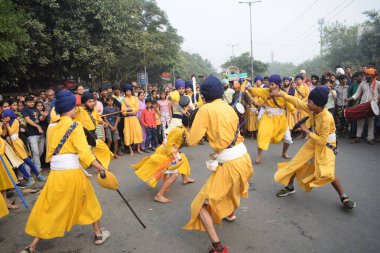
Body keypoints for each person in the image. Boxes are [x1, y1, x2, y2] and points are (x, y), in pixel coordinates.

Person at [21, 90, 110, 253]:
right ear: (70, 108)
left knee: (50, 207)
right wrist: (102, 168)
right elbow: (85, 154)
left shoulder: (51, 127)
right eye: (75, 107)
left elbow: (49, 155)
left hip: (55, 174)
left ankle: (31, 246)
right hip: (73, 174)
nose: (77, 110)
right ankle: (98, 235)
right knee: (89, 202)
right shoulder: (75, 126)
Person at [183, 76, 254, 253]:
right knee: (226, 188)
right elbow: (227, 135)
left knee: (198, 206)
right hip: (243, 157)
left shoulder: (205, 110)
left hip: (230, 164)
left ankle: (218, 247)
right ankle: (229, 212)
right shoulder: (228, 107)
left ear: (203, 94)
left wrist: (188, 125)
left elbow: (192, 141)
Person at [271, 86, 356, 210]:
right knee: (296, 163)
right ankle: (289, 187)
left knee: (328, 173)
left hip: (327, 145)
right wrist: (282, 95)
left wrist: (306, 131)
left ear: (318, 104)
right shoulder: (313, 109)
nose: (307, 104)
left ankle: (343, 196)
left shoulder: (326, 118)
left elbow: (322, 141)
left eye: (309, 102)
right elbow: (298, 102)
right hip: (314, 141)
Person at [132, 114, 193, 203]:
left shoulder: (184, 130)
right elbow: (168, 145)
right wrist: (174, 158)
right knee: (174, 175)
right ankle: (159, 195)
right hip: (167, 153)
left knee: (183, 158)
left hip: (173, 151)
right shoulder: (178, 131)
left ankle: (185, 178)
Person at [247, 75, 297, 164]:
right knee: (262, 134)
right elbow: (254, 90)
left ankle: (284, 153)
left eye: (272, 84)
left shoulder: (283, 95)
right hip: (268, 117)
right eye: (269, 84)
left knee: (288, 138)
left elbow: (293, 110)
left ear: (277, 85)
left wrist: (297, 122)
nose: (270, 86)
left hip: (281, 119)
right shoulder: (264, 91)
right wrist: (247, 87)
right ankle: (259, 156)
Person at [75, 92, 114, 168]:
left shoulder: (94, 111)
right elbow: (75, 104)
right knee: (83, 156)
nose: (92, 103)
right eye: (89, 101)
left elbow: (99, 120)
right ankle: (80, 170)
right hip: (84, 136)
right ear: (83, 103)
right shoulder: (79, 111)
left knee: (105, 150)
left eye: (93, 101)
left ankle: (104, 167)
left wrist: (103, 123)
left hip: (94, 135)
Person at [345, 68, 380, 145]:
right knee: (360, 122)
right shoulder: (362, 84)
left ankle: (370, 138)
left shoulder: (378, 83)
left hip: (372, 106)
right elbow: (357, 94)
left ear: (372, 75)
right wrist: (348, 99)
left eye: (367, 74)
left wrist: (377, 104)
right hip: (363, 105)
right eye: (365, 74)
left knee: (371, 123)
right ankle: (358, 138)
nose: (365, 76)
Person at [22, 96, 45, 172]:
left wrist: (44, 115)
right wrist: (38, 126)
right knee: (35, 152)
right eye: (29, 102)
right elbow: (28, 120)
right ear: (25, 103)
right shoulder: (25, 109)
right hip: (32, 134)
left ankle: (33, 167)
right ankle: (38, 169)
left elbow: (40, 119)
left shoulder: (36, 109)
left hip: (40, 134)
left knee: (40, 152)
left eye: (32, 102)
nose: (31, 103)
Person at [121, 84, 143, 155]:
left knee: (138, 132)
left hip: (134, 118)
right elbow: (123, 111)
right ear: (125, 92)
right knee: (128, 134)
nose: (128, 92)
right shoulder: (123, 100)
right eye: (126, 91)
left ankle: (138, 148)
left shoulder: (135, 98)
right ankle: (131, 150)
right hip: (127, 119)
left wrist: (129, 109)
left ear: (131, 91)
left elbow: (137, 109)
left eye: (129, 91)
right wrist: (127, 112)